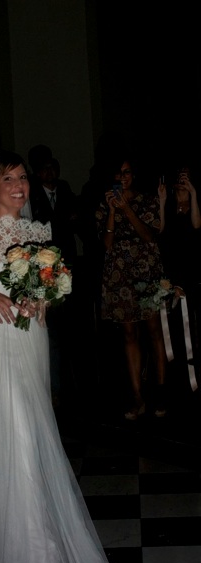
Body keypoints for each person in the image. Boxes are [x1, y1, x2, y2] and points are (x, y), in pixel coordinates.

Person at [0, 150, 119, 563]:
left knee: (26, 435)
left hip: (31, 341)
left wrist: (45, 297)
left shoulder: (39, 231)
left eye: (22, 178)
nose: (19, 186)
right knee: (18, 439)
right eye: (8, 179)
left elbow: (48, 284)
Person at [95, 157, 169, 419]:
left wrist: (126, 208)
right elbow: (106, 243)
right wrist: (112, 211)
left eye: (126, 172)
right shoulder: (104, 204)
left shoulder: (147, 200)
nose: (122, 177)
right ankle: (137, 395)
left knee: (154, 331)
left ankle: (160, 391)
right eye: (118, 173)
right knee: (129, 335)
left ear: (133, 175)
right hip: (119, 274)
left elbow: (149, 236)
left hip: (146, 271)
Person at [27, 145, 82, 409]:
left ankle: (76, 386)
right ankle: (54, 388)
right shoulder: (32, 195)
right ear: (37, 172)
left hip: (67, 265)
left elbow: (75, 219)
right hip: (45, 268)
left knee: (73, 328)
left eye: (53, 167)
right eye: (45, 168)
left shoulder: (66, 189)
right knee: (51, 332)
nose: (51, 172)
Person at [156, 163, 201, 395]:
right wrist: (162, 201)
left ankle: (196, 373)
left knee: (192, 323)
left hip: (193, 271)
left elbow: (196, 225)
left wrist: (193, 194)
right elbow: (160, 230)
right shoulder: (170, 203)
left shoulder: (195, 202)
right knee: (173, 325)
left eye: (187, 176)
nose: (182, 179)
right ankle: (178, 376)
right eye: (180, 175)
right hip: (172, 270)